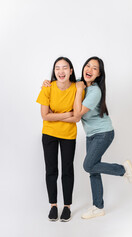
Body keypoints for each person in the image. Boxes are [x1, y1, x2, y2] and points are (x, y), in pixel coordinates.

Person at [42, 56, 132, 220]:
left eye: (95, 68)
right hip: (92, 134)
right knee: (93, 170)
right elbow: (64, 84)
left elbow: (77, 114)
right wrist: (47, 83)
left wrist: (78, 91)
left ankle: (122, 170)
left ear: (99, 74)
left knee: (88, 165)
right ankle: (98, 207)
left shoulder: (94, 91)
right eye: (88, 66)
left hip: (103, 133)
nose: (90, 69)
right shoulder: (80, 83)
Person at [36, 57, 82, 222]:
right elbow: (44, 115)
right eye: (57, 68)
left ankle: (67, 207)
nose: (61, 71)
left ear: (71, 71)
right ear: (54, 71)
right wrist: (66, 114)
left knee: (67, 170)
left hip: (68, 134)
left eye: (65, 68)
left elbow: (76, 117)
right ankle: (53, 206)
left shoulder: (77, 88)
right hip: (49, 134)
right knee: (51, 170)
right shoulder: (47, 87)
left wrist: (54, 116)